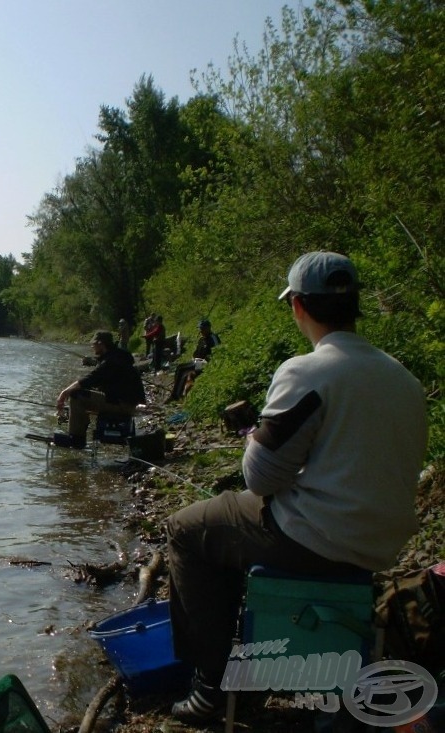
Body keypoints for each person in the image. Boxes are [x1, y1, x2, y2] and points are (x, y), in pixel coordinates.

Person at [164, 251, 428, 723]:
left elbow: (260, 478)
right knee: (224, 523)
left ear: (298, 307)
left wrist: (252, 437)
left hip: (319, 539)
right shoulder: (403, 379)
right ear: (354, 306)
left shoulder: (306, 371)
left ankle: (211, 685)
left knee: (186, 529)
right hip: (381, 544)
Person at [52, 331, 145, 449]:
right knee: (81, 394)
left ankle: (76, 439)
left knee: (76, 395)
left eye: (94, 344)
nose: (92, 346)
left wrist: (64, 393)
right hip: (126, 402)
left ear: (101, 344)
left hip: (125, 405)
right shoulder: (117, 356)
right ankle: (78, 434)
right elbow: (95, 383)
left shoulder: (111, 361)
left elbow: (89, 380)